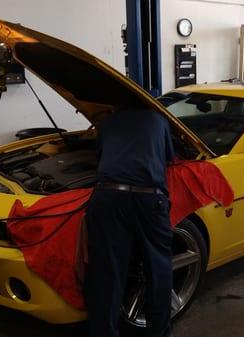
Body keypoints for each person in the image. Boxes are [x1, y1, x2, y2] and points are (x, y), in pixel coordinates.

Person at [84, 103, 175, 337]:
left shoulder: (107, 123)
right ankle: (159, 333)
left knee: (107, 272)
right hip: (149, 199)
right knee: (159, 267)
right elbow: (169, 159)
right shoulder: (159, 120)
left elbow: (100, 156)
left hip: (108, 197)